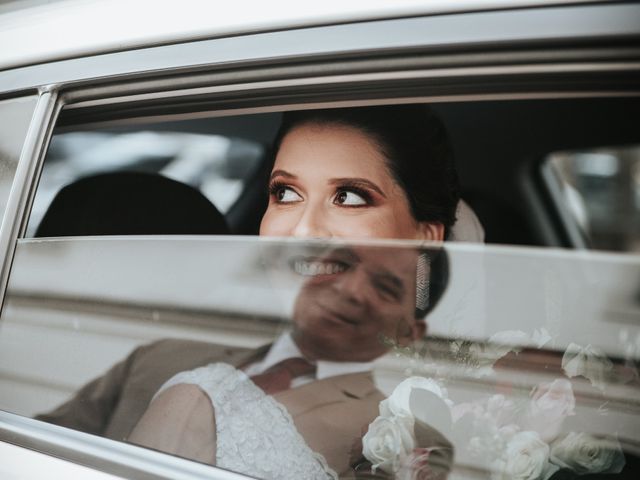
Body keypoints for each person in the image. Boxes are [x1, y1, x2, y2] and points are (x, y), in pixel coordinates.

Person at [36, 105, 460, 478]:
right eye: (285, 193)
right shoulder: (159, 358)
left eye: (348, 196)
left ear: (423, 236)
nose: (304, 230)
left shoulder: (408, 436)